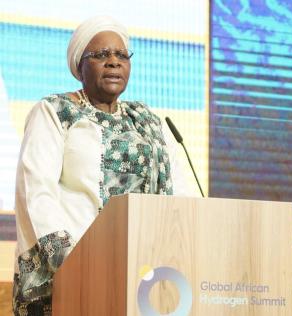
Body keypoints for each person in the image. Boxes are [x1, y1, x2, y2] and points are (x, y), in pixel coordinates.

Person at [12, 15, 186, 315]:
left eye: (121, 55)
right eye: (101, 55)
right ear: (80, 65)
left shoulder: (148, 122)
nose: (113, 62)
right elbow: (36, 193)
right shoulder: (55, 112)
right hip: (71, 276)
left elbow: (179, 191)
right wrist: (76, 263)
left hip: (139, 276)